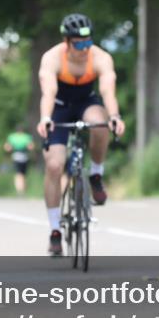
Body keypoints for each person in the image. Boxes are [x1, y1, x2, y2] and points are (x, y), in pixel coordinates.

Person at [36, 13, 125, 256]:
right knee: (54, 165)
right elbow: (48, 92)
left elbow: (107, 90)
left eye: (88, 42)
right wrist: (45, 118)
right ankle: (55, 230)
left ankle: (96, 174)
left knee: (100, 124)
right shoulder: (52, 58)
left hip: (87, 102)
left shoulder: (100, 57)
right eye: (79, 43)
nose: (85, 48)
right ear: (67, 41)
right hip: (59, 106)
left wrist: (114, 116)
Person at [4, 125, 35, 195]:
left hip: (16, 156)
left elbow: (7, 147)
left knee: (18, 174)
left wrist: (13, 147)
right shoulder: (27, 137)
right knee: (22, 174)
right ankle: (22, 189)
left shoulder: (12, 137)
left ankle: (20, 190)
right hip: (25, 156)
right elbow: (31, 147)